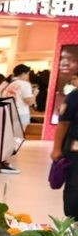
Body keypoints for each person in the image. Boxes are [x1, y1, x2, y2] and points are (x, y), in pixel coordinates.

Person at [0, 63, 35, 175]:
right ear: (24, 73)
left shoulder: (9, 84)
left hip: (8, 112)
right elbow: (29, 101)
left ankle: (3, 161)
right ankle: (6, 163)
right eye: (28, 74)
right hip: (20, 113)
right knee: (16, 139)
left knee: (8, 138)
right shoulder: (25, 84)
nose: (28, 76)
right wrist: (35, 95)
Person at [52, 91, 78, 219]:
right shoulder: (75, 95)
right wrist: (56, 148)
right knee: (75, 186)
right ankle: (73, 220)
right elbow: (63, 124)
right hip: (76, 150)